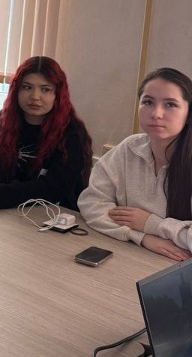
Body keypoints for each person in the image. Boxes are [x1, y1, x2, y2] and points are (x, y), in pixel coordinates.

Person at [79, 67, 192, 261]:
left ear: (188, 113)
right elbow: (91, 203)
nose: (156, 114)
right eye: (148, 102)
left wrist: (151, 224)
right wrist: (140, 236)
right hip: (131, 256)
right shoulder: (129, 148)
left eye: (170, 104)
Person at [0, 56, 93, 210]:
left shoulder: (72, 133)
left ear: (58, 94)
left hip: (47, 215)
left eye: (45, 89)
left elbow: (55, 188)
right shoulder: (2, 120)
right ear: (17, 90)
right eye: (27, 87)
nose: (35, 97)